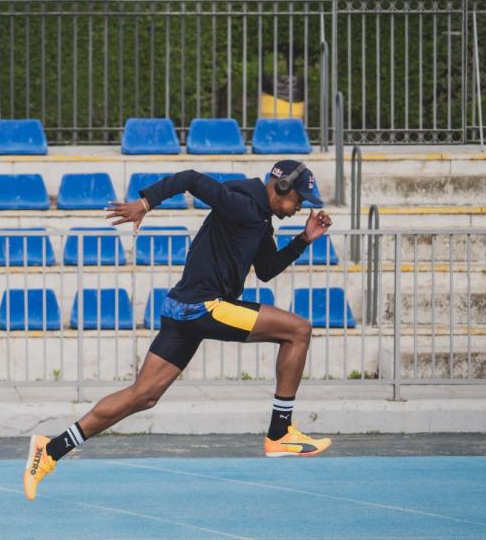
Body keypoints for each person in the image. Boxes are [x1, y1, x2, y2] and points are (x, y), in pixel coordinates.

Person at [24, 160, 334, 501]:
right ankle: (280, 432)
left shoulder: (260, 221)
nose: (300, 207)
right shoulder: (240, 203)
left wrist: (304, 239)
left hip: (181, 309)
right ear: (282, 187)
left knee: (143, 395)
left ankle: (51, 449)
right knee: (298, 331)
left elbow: (265, 270)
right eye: (299, 199)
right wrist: (145, 203)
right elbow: (190, 179)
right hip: (203, 306)